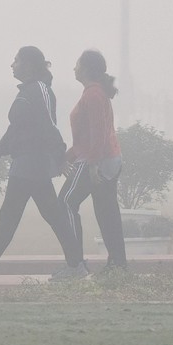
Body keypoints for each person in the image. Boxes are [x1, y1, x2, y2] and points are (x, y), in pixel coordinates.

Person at [0, 46, 89, 283]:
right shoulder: (26, 92)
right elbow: (14, 131)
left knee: (12, 215)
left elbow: (50, 126)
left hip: (33, 164)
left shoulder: (40, 90)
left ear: (28, 64)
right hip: (26, 164)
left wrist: (59, 156)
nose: (12, 64)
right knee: (50, 215)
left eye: (16, 60)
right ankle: (76, 264)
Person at [60, 48, 126, 271]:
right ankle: (117, 265)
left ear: (86, 68)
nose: (74, 68)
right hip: (105, 158)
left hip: (97, 161)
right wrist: (66, 157)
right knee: (107, 214)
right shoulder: (94, 92)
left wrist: (93, 165)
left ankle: (75, 265)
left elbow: (97, 134)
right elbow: (86, 137)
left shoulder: (93, 94)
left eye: (77, 64)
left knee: (65, 203)